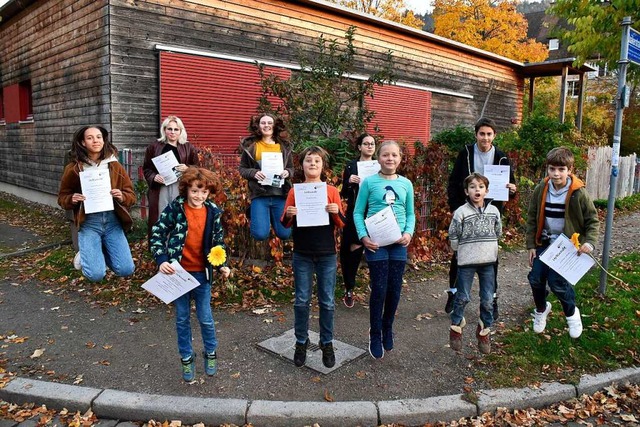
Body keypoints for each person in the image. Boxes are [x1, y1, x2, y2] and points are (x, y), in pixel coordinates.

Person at [149, 167, 231, 381]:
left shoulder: (213, 212)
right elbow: (157, 233)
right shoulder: (175, 209)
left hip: (202, 276)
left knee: (205, 318)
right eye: (195, 191)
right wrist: (161, 260)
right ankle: (186, 357)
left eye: (204, 192)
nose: (199, 196)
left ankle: (210, 352)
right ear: (186, 189)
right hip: (178, 275)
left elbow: (218, 243)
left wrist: (221, 263)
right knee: (182, 318)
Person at [445, 117, 517, 319]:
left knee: (490, 257)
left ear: (494, 135)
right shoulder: (466, 154)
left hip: (490, 213)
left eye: (489, 134)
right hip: (466, 212)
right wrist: (455, 208)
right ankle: (454, 293)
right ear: (476, 134)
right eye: (481, 133)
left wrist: (512, 190)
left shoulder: (501, 157)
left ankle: (491, 299)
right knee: (459, 255)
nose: (485, 138)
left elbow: (511, 185)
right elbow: (453, 183)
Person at [281, 146, 345, 369]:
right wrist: (289, 215)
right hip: (302, 253)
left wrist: (336, 212)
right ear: (302, 165)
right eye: (309, 161)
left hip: (327, 253)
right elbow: (284, 223)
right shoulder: (294, 192)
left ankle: (326, 342)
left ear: (322, 166)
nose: (313, 164)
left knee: (327, 301)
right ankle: (301, 341)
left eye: (317, 161)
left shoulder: (331, 190)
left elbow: (342, 223)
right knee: (301, 301)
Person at [526, 147, 598, 339]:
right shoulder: (541, 189)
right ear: (547, 169)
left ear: (569, 169)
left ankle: (571, 313)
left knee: (557, 282)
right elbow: (532, 217)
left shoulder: (578, 193)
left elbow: (592, 220)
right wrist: (531, 245)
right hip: (545, 242)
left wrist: (589, 242)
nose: (556, 174)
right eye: (552, 169)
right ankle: (542, 309)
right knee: (535, 278)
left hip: (567, 244)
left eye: (561, 169)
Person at [353, 140, 415, 359]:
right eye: (386, 155)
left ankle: (388, 327)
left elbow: (410, 214)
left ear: (400, 158)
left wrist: (408, 233)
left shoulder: (406, 184)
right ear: (378, 158)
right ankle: (375, 332)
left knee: (394, 290)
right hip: (376, 244)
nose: (390, 159)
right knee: (379, 289)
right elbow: (358, 213)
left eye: (394, 155)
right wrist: (363, 237)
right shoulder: (369, 183)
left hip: (398, 244)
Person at [58, 125, 136, 282]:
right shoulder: (73, 168)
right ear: (82, 142)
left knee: (126, 269)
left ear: (104, 139)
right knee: (95, 275)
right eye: (90, 138)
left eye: (99, 137)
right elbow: (62, 198)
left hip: (112, 221)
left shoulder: (115, 165)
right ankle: (86, 255)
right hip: (89, 223)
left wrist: (122, 196)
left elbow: (131, 196)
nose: (96, 141)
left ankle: (94, 251)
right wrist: (71, 199)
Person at [448, 173, 502, 354]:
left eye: (480, 187)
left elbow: (498, 231)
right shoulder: (461, 212)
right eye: (472, 187)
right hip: (467, 262)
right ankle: (456, 326)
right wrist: (458, 251)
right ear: (466, 191)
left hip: (488, 262)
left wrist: (490, 247)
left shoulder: (494, 211)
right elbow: (453, 233)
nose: (476, 190)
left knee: (488, 299)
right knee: (462, 297)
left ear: (486, 191)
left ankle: (484, 330)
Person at [143, 115, 200, 240]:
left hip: (181, 186)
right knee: (161, 217)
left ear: (181, 131)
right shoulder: (154, 147)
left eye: (176, 129)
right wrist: (153, 177)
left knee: (179, 216)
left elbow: (198, 168)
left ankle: (179, 248)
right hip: (161, 188)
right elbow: (146, 168)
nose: (172, 132)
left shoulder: (188, 147)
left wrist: (188, 169)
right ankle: (160, 248)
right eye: (169, 129)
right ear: (164, 130)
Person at [239, 114, 293, 241]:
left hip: (280, 194)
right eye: (263, 123)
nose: (266, 125)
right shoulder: (252, 146)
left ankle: (268, 218)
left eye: (270, 123)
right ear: (257, 126)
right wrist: (253, 173)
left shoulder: (283, 147)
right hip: (259, 194)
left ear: (275, 125)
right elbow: (242, 169)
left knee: (285, 234)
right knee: (260, 234)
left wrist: (287, 172)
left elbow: (291, 168)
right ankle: (258, 215)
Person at [339, 133, 376, 308]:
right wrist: (349, 182)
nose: (369, 146)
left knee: (376, 248)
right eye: (366, 143)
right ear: (359, 147)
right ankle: (349, 288)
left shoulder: (380, 165)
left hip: (376, 212)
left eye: (372, 144)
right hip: (356, 212)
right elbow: (344, 194)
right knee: (353, 250)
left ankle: (375, 282)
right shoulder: (351, 166)